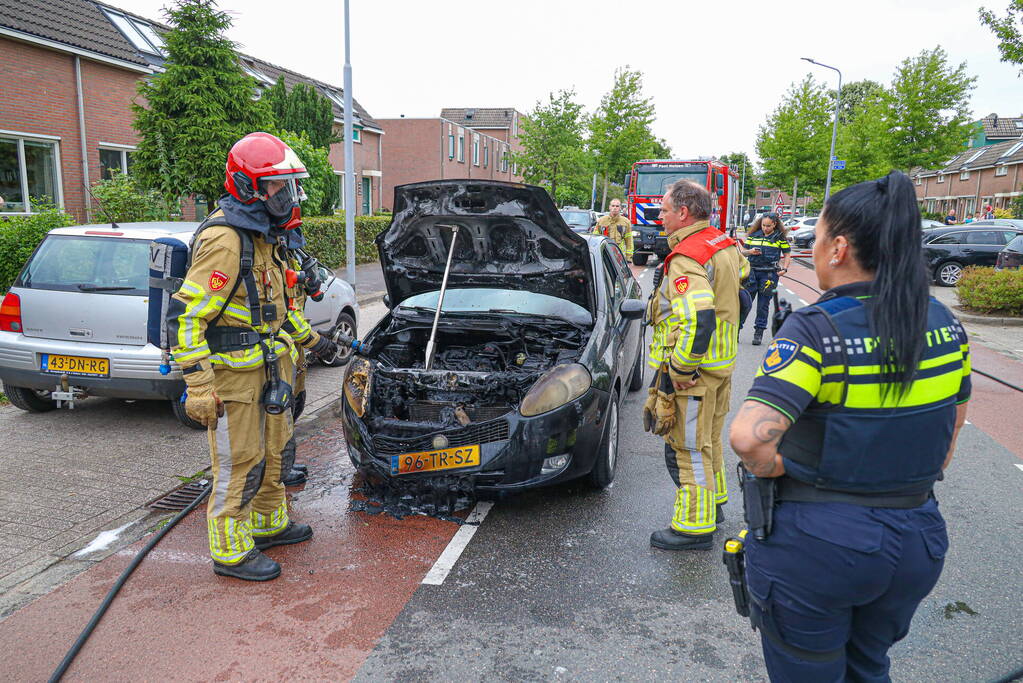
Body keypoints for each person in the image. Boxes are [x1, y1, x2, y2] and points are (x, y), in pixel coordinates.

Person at [729, 171, 970, 680]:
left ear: (838, 248)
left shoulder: (817, 329)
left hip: (821, 547)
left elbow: (750, 436)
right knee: (868, 667)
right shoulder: (945, 325)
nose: (812, 251)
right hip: (915, 538)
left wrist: (778, 467)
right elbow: (948, 437)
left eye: (815, 239)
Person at [169, 132, 335, 581]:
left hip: (271, 369)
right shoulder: (227, 240)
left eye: (290, 185)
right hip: (235, 380)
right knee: (241, 461)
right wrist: (199, 386)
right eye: (279, 186)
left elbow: (276, 312)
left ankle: (267, 522)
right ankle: (230, 550)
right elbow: (186, 316)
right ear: (249, 186)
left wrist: (315, 343)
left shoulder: (265, 237)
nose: (289, 195)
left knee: (276, 452)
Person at [644, 180, 748, 550]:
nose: (660, 215)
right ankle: (715, 505)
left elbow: (699, 316)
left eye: (665, 209)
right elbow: (743, 281)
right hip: (721, 365)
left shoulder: (687, 257)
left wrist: (681, 371)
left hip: (694, 375)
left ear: (683, 213)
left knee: (687, 447)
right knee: (709, 441)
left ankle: (693, 527)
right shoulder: (722, 242)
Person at [738, 213, 791, 345]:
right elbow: (742, 252)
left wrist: (784, 268)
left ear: (774, 224)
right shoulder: (753, 236)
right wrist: (750, 252)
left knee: (763, 305)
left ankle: (759, 332)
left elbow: (787, 254)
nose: (765, 228)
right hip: (752, 272)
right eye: (763, 225)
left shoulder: (780, 238)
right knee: (745, 303)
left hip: (769, 274)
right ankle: (736, 329)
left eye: (768, 226)